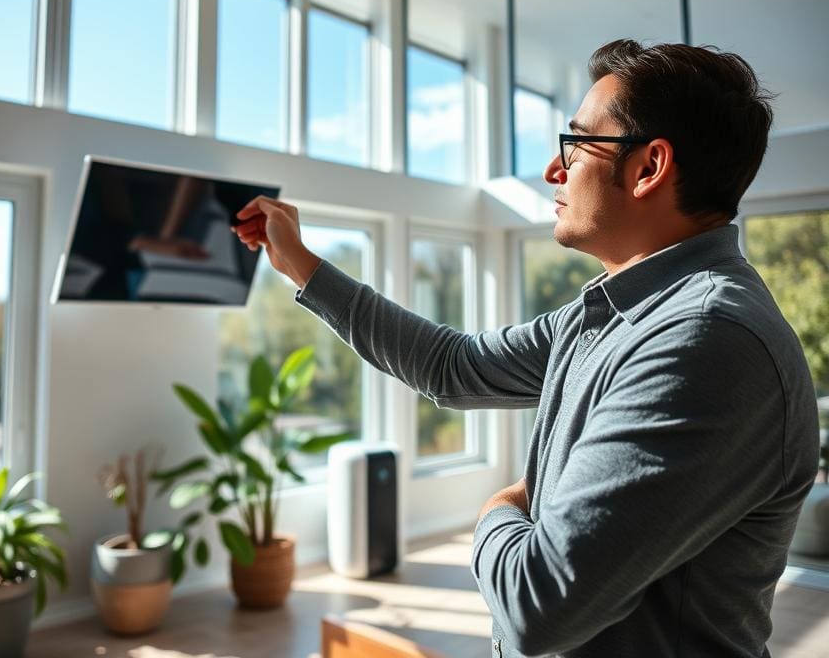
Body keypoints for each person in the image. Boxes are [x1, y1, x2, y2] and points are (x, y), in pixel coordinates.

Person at [230, 39, 819, 657]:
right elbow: (452, 366)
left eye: (577, 143)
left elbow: (539, 603)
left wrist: (499, 507)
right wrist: (300, 265)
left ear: (649, 167)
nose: (553, 170)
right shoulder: (613, 313)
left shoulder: (704, 339)